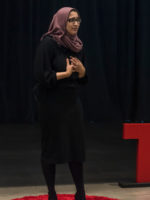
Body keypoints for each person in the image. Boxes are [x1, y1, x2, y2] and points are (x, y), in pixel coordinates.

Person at [33, 7, 88, 200]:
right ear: (61, 22)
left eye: (77, 20)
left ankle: (80, 192)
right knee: (52, 149)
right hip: (52, 104)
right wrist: (64, 74)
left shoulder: (77, 45)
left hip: (72, 103)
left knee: (76, 148)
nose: (75, 23)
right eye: (71, 20)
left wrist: (81, 71)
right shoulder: (48, 44)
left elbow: (83, 79)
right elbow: (41, 76)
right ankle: (51, 193)